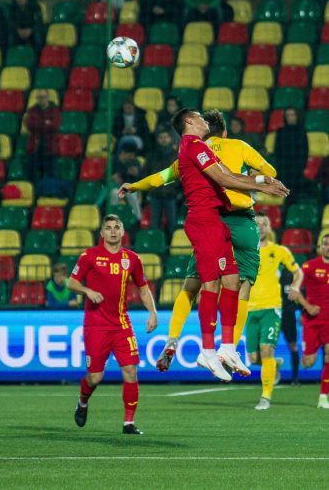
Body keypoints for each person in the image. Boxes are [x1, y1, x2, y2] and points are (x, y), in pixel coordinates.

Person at [120, 108, 289, 381]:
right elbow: (231, 176)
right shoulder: (203, 146)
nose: (202, 121)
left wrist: (136, 186)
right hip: (219, 220)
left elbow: (162, 178)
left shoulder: (203, 149)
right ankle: (208, 350)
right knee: (227, 283)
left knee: (220, 281)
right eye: (198, 117)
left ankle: (226, 345)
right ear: (190, 122)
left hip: (218, 221)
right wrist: (263, 181)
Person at [67, 214, 158, 434]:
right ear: (102, 233)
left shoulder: (132, 259)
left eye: (117, 227)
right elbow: (71, 282)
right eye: (108, 228)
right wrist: (88, 290)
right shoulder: (89, 256)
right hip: (96, 325)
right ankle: (83, 401)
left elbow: (143, 288)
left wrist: (153, 313)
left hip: (121, 324)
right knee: (95, 377)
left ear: (123, 231)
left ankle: (128, 422)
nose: (113, 231)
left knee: (130, 371)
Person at [245, 213, 302, 410]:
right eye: (257, 224)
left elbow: (298, 272)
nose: (260, 227)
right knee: (253, 358)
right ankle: (274, 364)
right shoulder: (245, 252)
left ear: (270, 228)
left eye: (264, 224)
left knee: (266, 350)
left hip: (272, 308)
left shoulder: (279, 251)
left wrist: (295, 287)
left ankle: (265, 397)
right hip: (250, 309)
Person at [291, 234, 329, 409]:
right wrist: (307, 306)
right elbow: (294, 290)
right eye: (325, 244)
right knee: (309, 363)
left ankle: (323, 396)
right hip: (312, 320)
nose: (327, 247)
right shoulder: (309, 266)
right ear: (320, 247)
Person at [145, 129, 180, 236]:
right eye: (161, 137)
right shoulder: (152, 155)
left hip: (171, 195)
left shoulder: (176, 155)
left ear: (170, 138)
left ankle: (170, 248)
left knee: (172, 224)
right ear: (157, 139)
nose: (163, 140)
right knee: (154, 224)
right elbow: (146, 173)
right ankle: (156, 248)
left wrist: (176, 189)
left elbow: (181, 175)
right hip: (155, 195)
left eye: (166, 137)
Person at [25, 89, 61, 182]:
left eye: (43, 97)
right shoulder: (32, 110)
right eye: (39, 97)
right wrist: (46, 122)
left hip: (50, 148)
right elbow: (29, 124)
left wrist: (38, 124)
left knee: (51, 176)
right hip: (35, 148)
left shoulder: (55, 110)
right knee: (32, 176)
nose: (41, 99)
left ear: (48, 98)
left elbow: (55, 125)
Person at [274, 107, 309, 199]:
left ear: (297, 116)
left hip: (297, 169)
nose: (290, 117)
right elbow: (277, 152)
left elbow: (305, 152)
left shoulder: (302, 131)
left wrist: (299, 167)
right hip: (283, 168)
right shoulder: (280, 132)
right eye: (288, 115)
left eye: (292, 115)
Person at [110, 141, 142, 221]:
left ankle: (138, 218)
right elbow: (105, 176)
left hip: (130, 186)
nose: (132, 157)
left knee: (131, 194)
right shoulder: (113, 160)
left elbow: (141, 177)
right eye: (130, 155)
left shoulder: (134, 161)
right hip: (116, 187)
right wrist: (112, 177)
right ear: (123, 153)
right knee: (114, 193)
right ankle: (113, 218)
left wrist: (137, 174)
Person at [280, 267, 300, 385]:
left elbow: (298, 294)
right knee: (266, 346)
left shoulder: (291, 273)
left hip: (288, 313)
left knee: (293, 345)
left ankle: (295, 378)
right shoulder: (270, 271)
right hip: (273, 311)